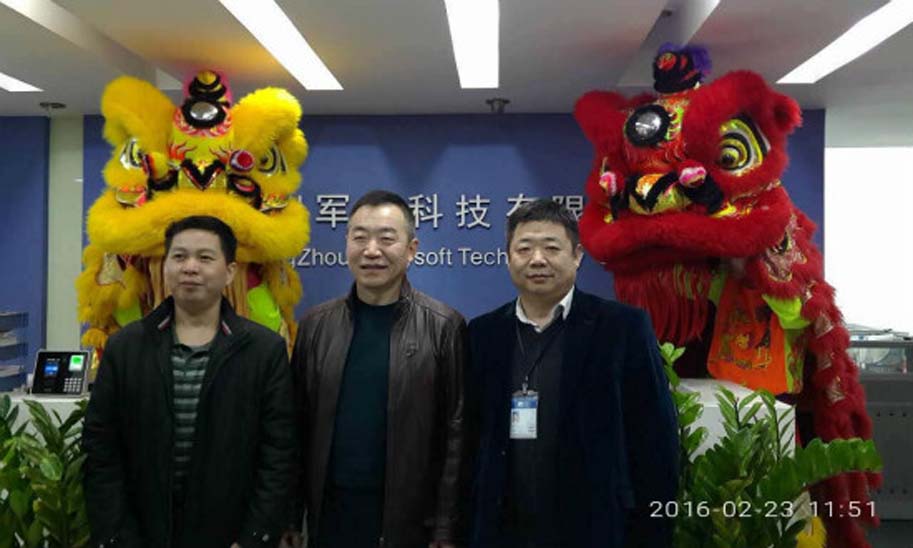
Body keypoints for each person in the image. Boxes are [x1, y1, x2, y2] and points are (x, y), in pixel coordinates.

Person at [466, 199, 679, 548]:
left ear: (577, 256)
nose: (537, 259)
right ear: (508, 258)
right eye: (524, 248)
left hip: (596, 526)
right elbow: (471, 437)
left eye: (551, 248)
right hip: (503, 528)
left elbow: (655, 439)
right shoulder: (483, 333)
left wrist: (653, 531)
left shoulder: (622, 328)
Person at [83, 215, 297, 548]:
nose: (190, 268)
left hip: (231, 534)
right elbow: (101, 449)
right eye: (179, 257)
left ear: (230, 271)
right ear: (164, 267)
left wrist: (253, 538)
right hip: (140, 534)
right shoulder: (125, 347)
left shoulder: (263, 350)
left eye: (205, 257)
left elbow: (278, 454)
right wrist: (117, 536)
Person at [291, 190, 467, 548]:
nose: (371, 251)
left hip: (409, 519)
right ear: (346, 245)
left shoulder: (444, 326)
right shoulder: (315, 325)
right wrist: (290, 516)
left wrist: (445, 526)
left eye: (386, 239)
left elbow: (457, 432)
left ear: (411, 249)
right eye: (360, 238)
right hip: (330, 514)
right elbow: (294, 426)